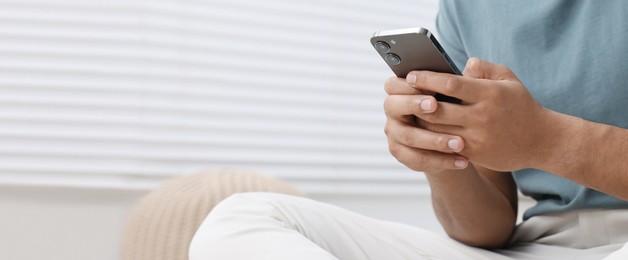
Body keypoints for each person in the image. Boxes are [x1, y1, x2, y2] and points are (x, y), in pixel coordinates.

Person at [188, 1, 628, 259]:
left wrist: (545, 140)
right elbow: (486, 231)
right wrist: (442, 152)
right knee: (242, 218)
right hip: (535, 249)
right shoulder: (466, 8)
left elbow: (537, 139)